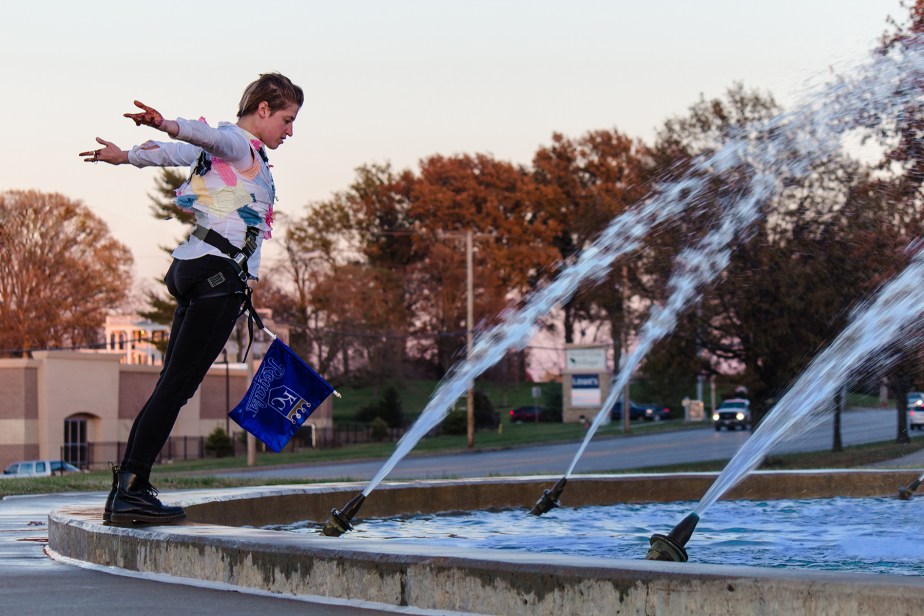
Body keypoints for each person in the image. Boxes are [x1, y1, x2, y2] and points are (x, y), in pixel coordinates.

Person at [79, 73, 303, 525]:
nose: (290, 131)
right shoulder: (236, 144)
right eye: (287, 119)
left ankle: (129, 488)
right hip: (217, 277)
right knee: (176, 388)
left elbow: (172, 154)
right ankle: (131, 492)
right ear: (262, 110)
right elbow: (198, 136)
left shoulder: (231, 151)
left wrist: (124, 156)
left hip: (196, 268)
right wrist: (167, 123)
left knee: (170, 386)